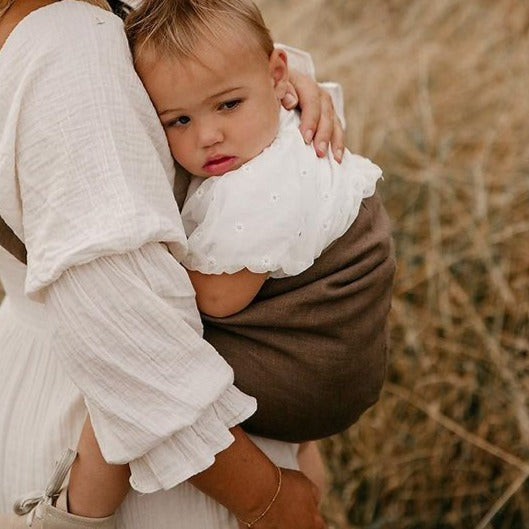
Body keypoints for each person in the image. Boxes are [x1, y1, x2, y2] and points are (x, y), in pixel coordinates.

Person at [39, 0, 393, 525]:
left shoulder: (261, 187)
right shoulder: (267, 124)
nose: (206, 135)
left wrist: (137, 274)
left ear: (278, 75)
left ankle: (75, 514)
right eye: (178, 120)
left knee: (134, 368)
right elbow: (225, 64)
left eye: (227, 106)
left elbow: (220, 297)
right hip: (323, 365)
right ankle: (314, 486)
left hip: (313, 367)